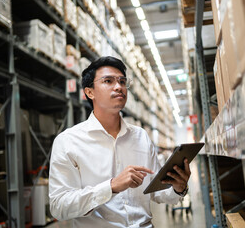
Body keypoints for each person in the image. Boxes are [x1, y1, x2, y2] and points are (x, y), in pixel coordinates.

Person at [49, 56, 190, 228]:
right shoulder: (68, 141)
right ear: (89, 92)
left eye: (122, 82)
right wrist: (111, 187)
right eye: (108, 81)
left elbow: (158, 192)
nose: (119, 87)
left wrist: (178, 187)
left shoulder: (140, 137)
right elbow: (59, 207)